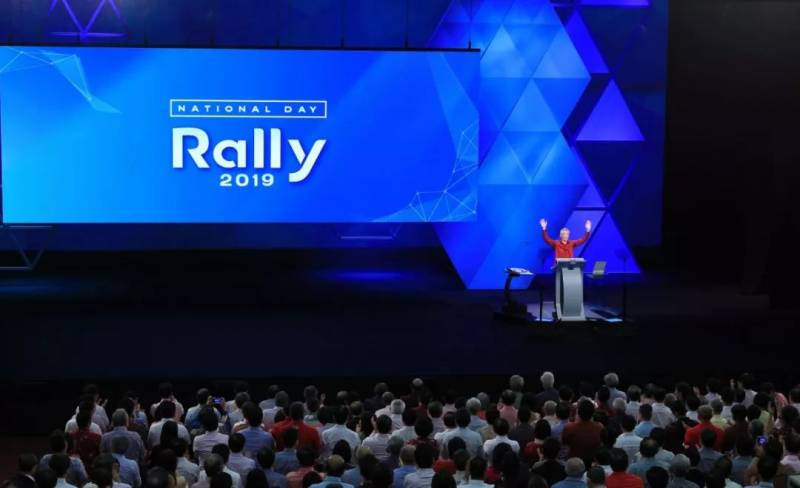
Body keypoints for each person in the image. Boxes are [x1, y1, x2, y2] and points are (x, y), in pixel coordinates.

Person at [562, 400, 605, 466]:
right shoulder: (600, 427)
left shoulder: (569, 428)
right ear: (593, 414)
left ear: (578, 413)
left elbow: (565, 443)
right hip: (592, 461)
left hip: (574, 462)